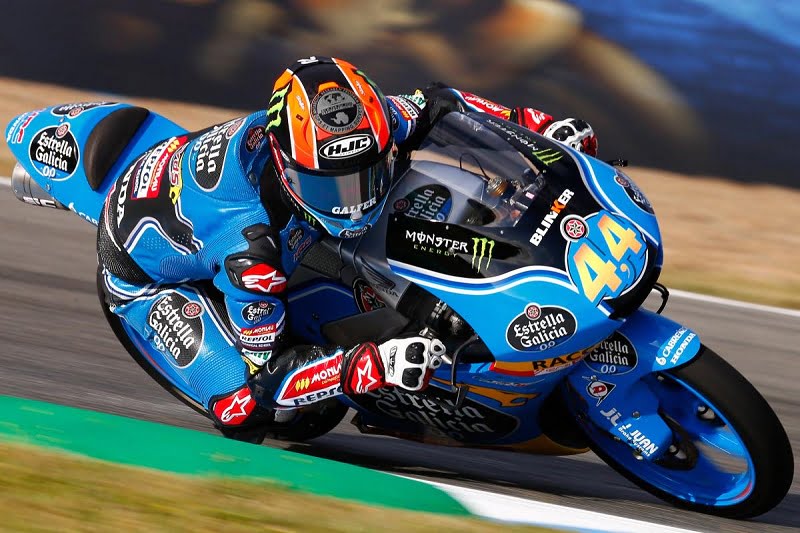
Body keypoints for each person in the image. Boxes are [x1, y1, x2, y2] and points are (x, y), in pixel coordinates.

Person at [98, 56, 597, 442]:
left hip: (200, 188)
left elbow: (444, 103)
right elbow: (269, 378)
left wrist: (539, 128)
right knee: (248, 410)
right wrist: (376, 365)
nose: (354, 202)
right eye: (331, 186)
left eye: (367, 174)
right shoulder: (252, 251)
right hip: (146, 278)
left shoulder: (368, 122)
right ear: (287, 167)